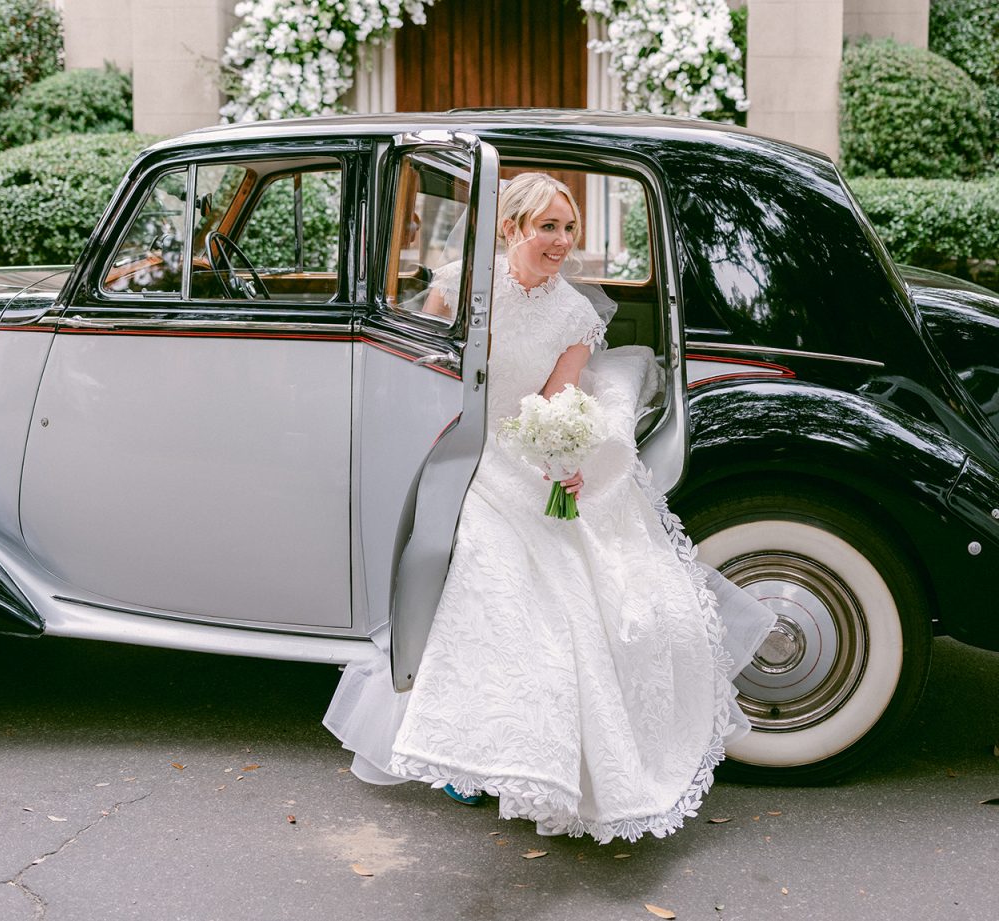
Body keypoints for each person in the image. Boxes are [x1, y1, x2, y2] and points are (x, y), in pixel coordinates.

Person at [324, 172, 775, 844]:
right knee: (479, 557)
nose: (562, 241)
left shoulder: (576, 317)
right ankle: (468, 744)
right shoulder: (454, 286)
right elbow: (421, 373)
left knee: (557, 580)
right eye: (548, 227)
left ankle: (518, 753)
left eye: (569, 229)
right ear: (511, 229)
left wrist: (560, 460)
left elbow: (558, 400)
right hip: (456, 444)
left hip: (516, 451)